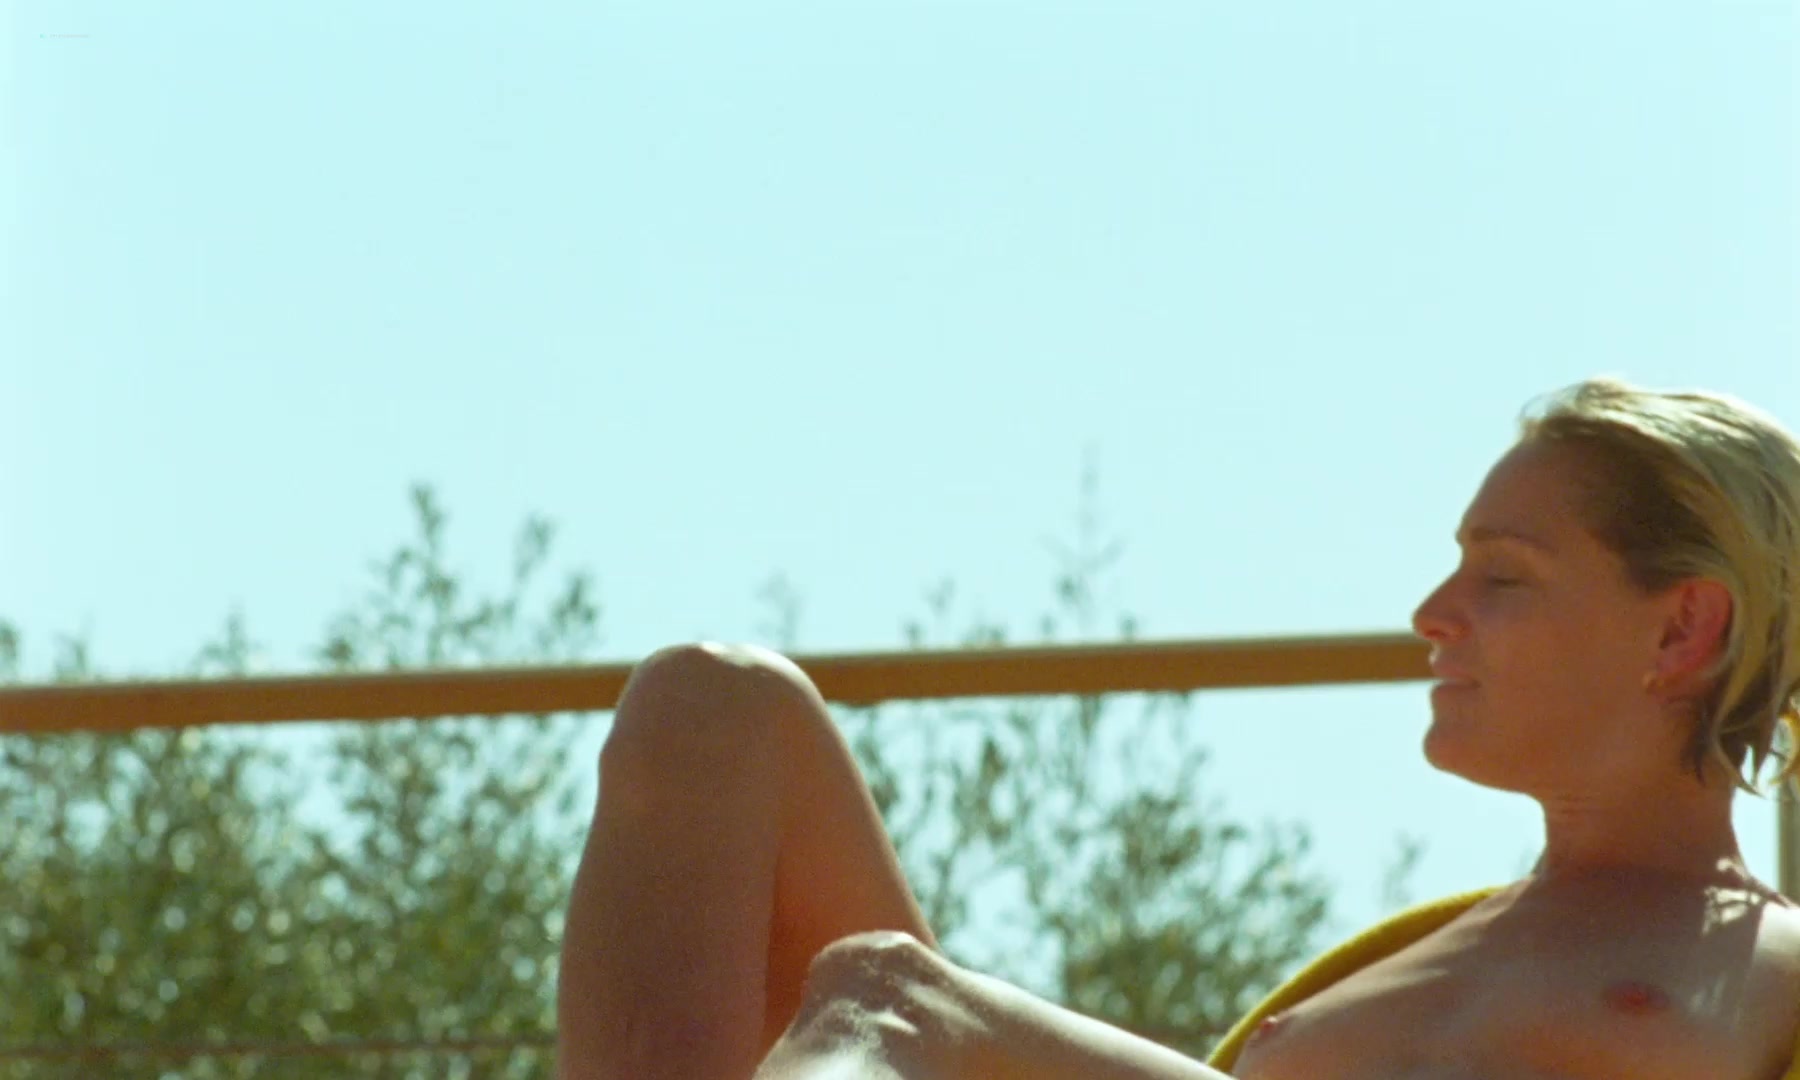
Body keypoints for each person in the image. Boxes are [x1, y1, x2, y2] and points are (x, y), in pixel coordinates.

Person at [554, 377, 1800, 1079]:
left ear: (1682, 627)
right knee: (710, 708)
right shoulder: (1397, 963)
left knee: (891, 999)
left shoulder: (1774, 966)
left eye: (1504, 575)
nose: (1434, 613)